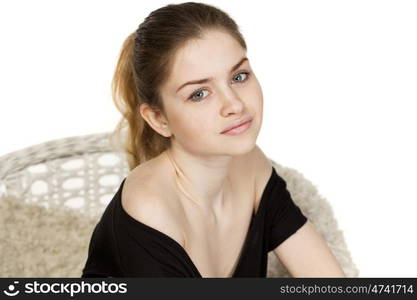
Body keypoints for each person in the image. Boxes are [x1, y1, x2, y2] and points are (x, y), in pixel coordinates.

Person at [82, 1, 345, 278]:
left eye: (239, 76)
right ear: (159, 119)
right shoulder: (151, 206)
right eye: (199, 94)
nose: (234, 104)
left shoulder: (251, 165)